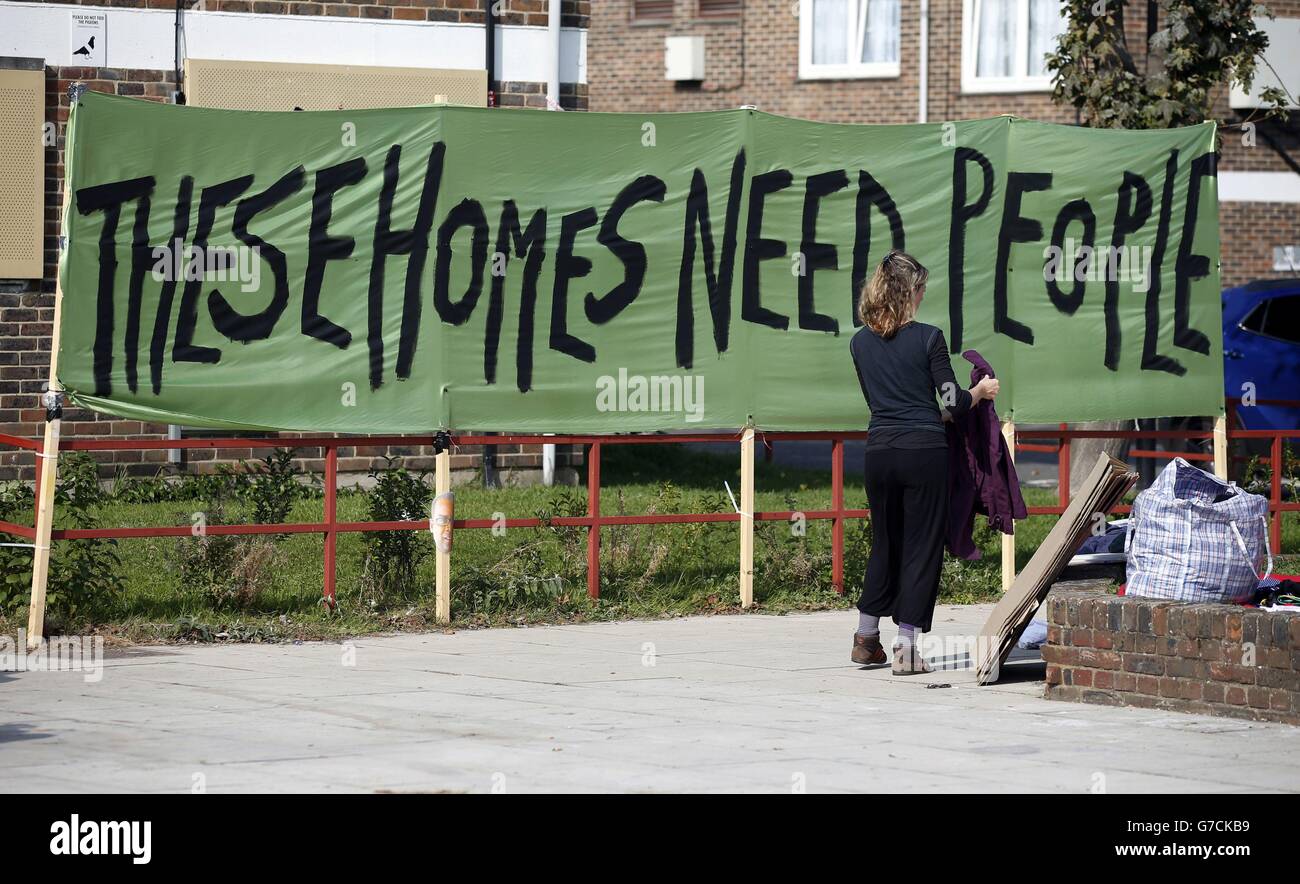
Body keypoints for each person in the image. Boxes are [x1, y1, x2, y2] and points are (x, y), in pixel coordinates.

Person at [848, 250, 1000, 675]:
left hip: (879, 451)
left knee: (885, 541)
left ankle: (865, 638)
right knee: (921, 546)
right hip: (924, 453)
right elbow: (950, 400)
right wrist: (982, 392)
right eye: (921, 290)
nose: (923, 298)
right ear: (909, 292)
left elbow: (886, 403)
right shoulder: (929, 337)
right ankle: (907, 651)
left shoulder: (859, 342)